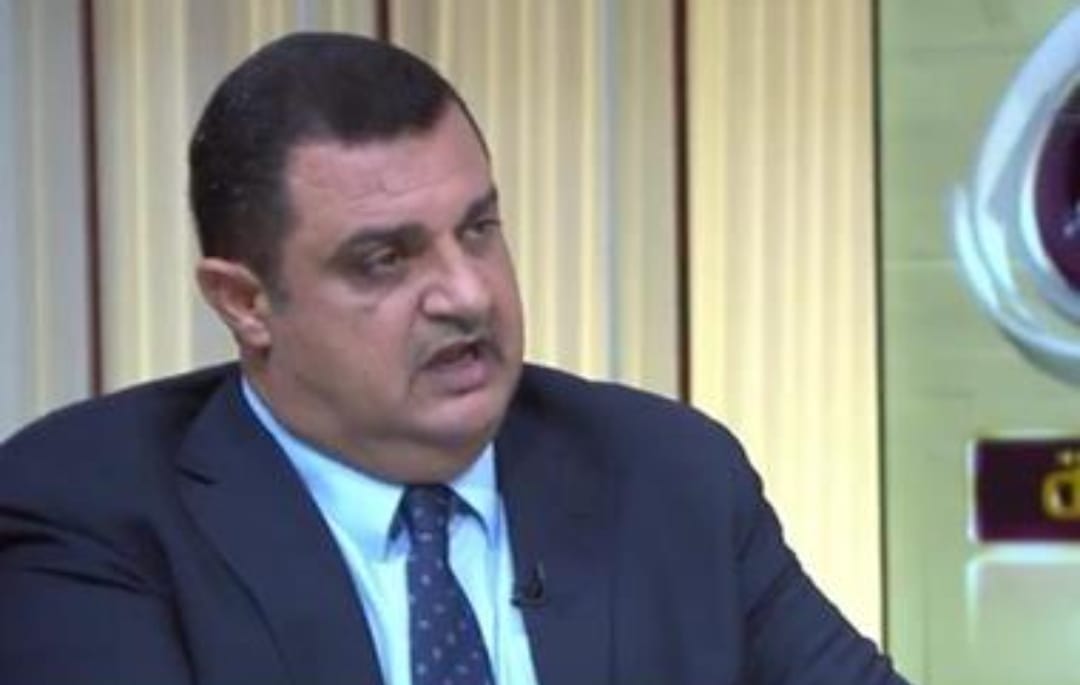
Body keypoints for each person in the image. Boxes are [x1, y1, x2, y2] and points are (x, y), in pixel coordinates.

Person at [0, 32, 910, 685]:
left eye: (478, 229)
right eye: (384, 259)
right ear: (245, 302)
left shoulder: (668, 474)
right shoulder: (90, 514)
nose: (467, 293)